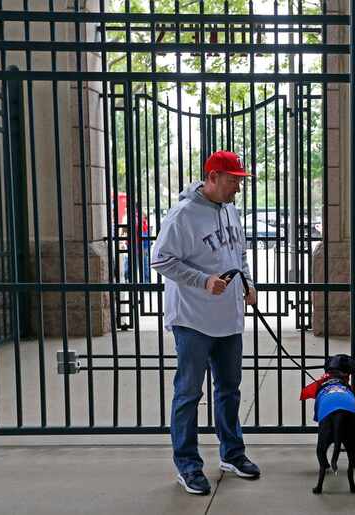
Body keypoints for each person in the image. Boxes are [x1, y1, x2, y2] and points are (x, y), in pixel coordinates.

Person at [151, 150, 260, 496]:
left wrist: (247, 281)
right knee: (188, 393)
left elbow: (238, 251)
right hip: (193, 321)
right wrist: (202, 281)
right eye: (232, 182)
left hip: (228, 320)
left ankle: (232, 453)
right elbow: (160, 259)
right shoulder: (182, 215)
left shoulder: (230, 210)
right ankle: (188, 465)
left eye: (239, 182)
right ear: (212, 177)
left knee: (229, 390)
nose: (237, 189)